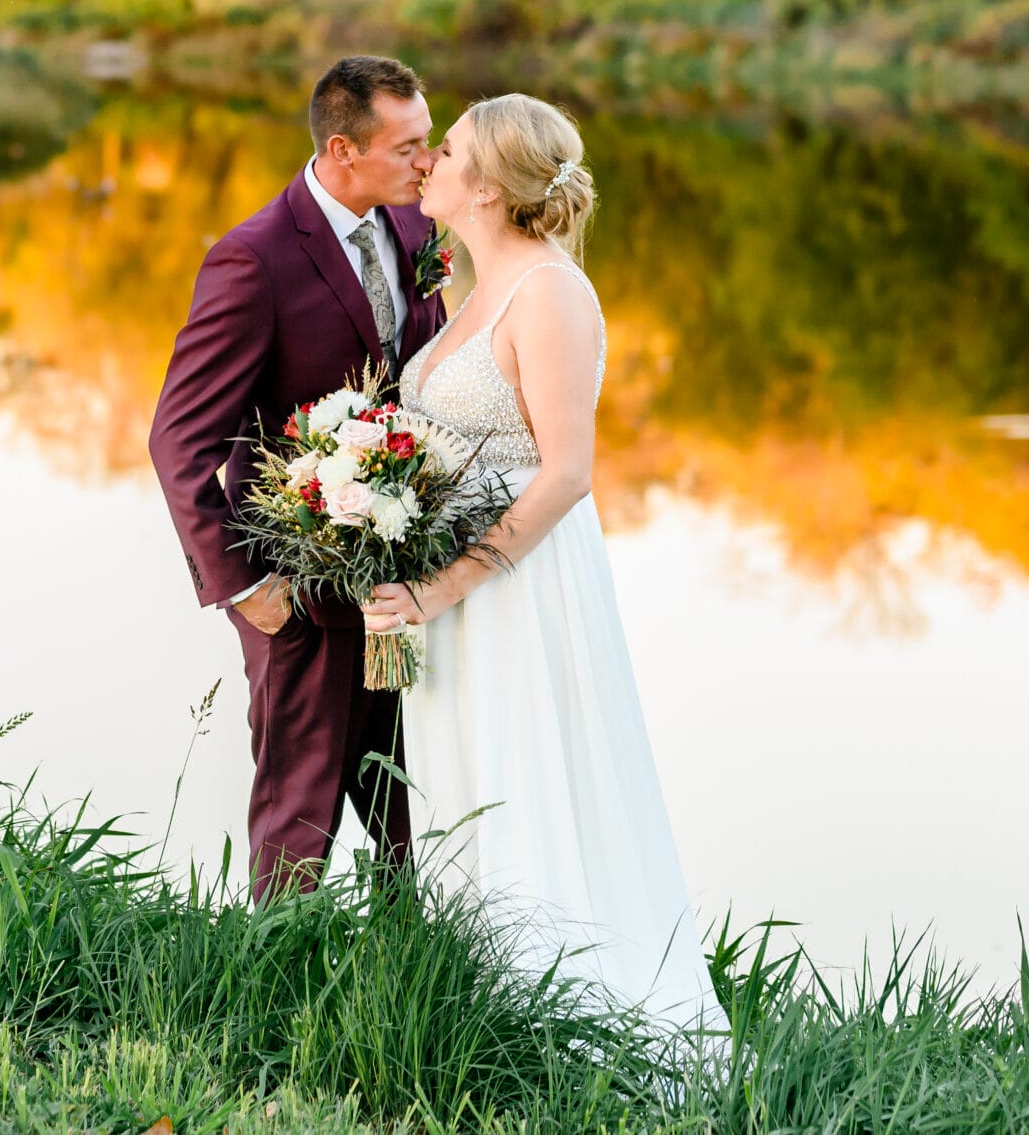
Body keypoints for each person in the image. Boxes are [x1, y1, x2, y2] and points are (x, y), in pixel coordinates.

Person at [364, 94, 722, 1032]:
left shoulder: (552, 293)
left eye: (446, 152)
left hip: (516, 589)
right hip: (452, 590)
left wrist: (442, 585)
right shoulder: (468, 285)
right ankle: (481, 1010)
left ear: (484, 186)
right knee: (468, 777)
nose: (428, 163)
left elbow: (564, 474)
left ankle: (567, 1012)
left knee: (531, 772)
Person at [148, 55, 447, 893]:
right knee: (299, 813)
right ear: (344, 149)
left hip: (399, 579)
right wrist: (244, 588)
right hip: (297, 594)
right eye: (410, 147)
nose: (428, 164)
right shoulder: (254, 259)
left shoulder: (417, 228)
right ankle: (270, 995)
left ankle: (413, 972)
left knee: (407, 802)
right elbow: (178, 439)